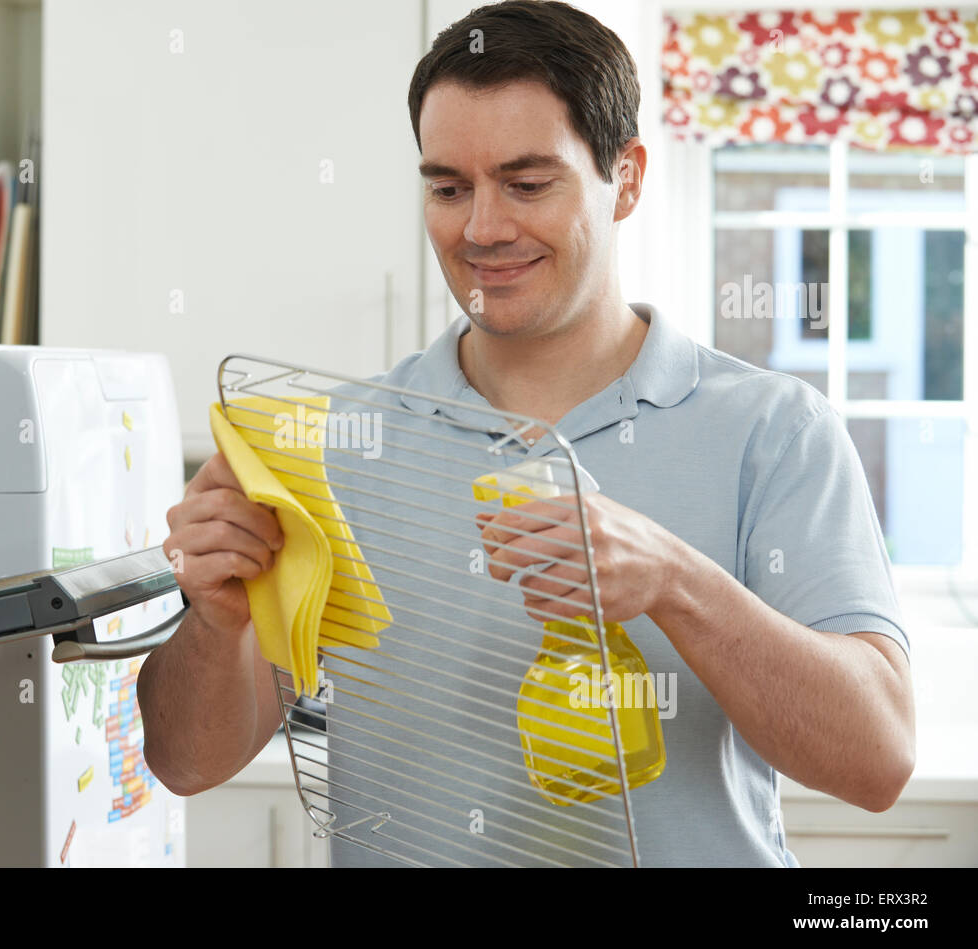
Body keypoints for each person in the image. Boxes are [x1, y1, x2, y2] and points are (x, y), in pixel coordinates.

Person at [138, 0, 914, 866]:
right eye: (448, 187)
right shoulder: (334, 442)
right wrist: (216, 622)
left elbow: (877, 759)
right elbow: (185, 763)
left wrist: (672, 580)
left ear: (626, 179)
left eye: (528, 182)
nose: (481, 229)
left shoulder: (774, 432)